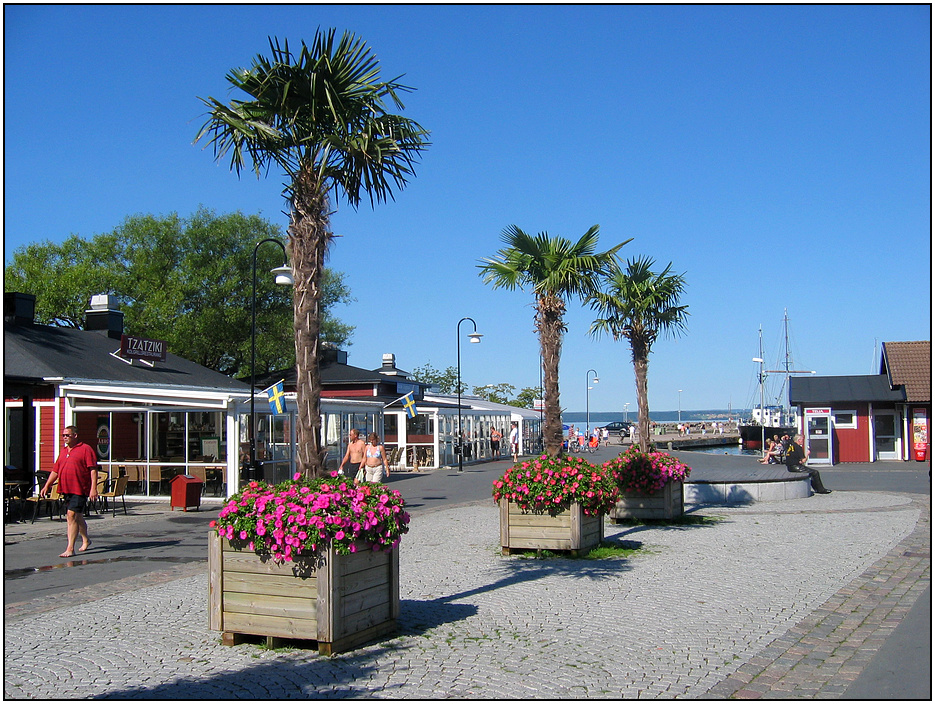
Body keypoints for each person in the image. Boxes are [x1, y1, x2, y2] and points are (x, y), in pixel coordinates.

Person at [40, 426, 100, 558]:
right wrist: (47, 485)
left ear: (75, 435)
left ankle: (70, 548)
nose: (65, 437)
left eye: (67, 435)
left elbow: (93, 470)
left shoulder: (85, 449)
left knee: (71, 515)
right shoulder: (63, 451)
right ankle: (86, 539)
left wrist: (93, 488)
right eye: (63, 435)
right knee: (77, 517)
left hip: (80, 488)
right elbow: (55, 470)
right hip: (66, 488)